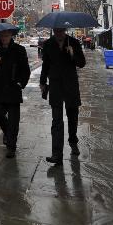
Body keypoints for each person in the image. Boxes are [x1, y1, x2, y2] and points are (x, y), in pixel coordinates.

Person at [40, 28, 86, 165]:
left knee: (73, 117)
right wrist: (42, 81)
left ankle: (73, 141)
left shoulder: (74, 42)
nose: (58, 33)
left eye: (61, 31)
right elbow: (45, 64)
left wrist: (73, 54)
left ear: (65, 30)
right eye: (56, 31)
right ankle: (57, 154)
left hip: (70, 84)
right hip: (55, 85)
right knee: (57, 121)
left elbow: (82, 63)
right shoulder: (48, 44)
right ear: (54, 31)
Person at [0, 28, 30, 158]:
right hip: (0, 89)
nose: (5, 37)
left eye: (7, 35)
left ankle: (11, 146)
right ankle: (7, 133)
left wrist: (21, 83)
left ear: (11, 35)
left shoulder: (19, 50)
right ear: (0, 36)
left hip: (14, 89)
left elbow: (25, 70)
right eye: (3, 35)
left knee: (14, 121)